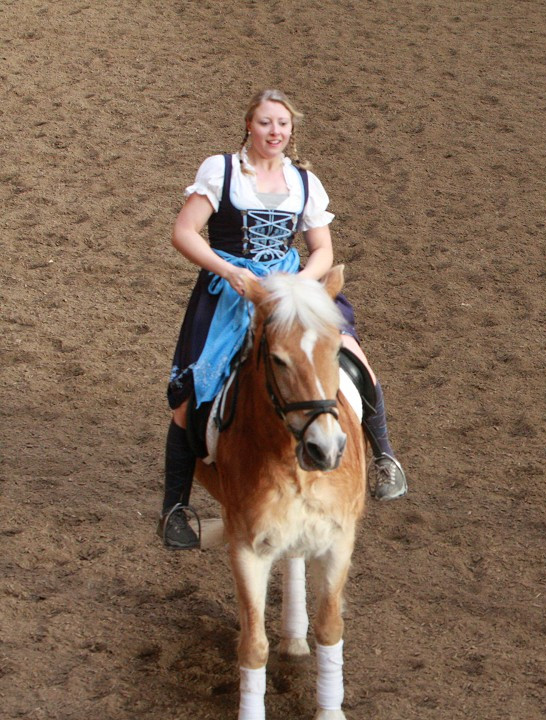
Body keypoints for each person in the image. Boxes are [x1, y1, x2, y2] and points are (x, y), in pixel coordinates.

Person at [159, 89, 408, 550]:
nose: (275, 132)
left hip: (293, 291)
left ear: (291, 131)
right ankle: (176, 506)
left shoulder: (305, 183)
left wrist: (302, 284)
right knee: (193, 391)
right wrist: (227, 269)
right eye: (266, 123)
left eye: (282, 125)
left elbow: (323, 250)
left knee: (354, 360)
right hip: (234, 292)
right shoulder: (222, 172)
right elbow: (184, 231)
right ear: (249, 127)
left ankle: (384, 459)